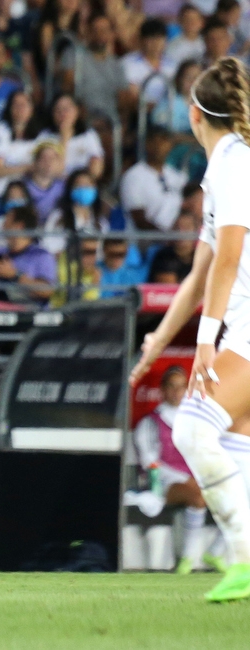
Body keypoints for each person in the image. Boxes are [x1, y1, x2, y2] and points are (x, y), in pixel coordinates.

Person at [129, 57, 250, 602]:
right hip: (240, 326)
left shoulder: (237, 167)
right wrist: (158, 340)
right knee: (233, 444)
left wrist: (204, 343)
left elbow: (228, 261)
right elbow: (199, 274)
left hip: (244, 330)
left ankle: (245, 560)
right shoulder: (222, 169)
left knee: (191, 428)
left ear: (194, 113)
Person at [134, 367, 226, 574]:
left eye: (181, 387)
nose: (177, 392)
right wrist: (186, 477)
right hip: (163, 484)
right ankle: (188, 559)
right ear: (163, 390)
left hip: (196, 480)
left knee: (237, 497)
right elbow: (151, 463)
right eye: (172, 386)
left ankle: (216, 551)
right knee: (197, 496)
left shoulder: (196, 420)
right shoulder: (151, 423)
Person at [59, 13, 131, 124]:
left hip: (110, 122)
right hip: (81, 121)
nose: (100, 34)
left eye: (104, 30)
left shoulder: (116, 64)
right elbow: (68, 87)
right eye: (95, 30)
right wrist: (83, 115)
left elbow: (124, 98)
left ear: (111, 34)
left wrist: (121, 126)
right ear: (87, 32)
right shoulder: (74, 54)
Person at [0, 205, 56, 305]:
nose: (3, 225)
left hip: (29, 317)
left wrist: (14, 275)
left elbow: (46, 291)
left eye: (7, 221)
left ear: (19, 226)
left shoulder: (41, 256)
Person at [0, 89, 40, 217]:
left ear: (32, 109)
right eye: (16, 105)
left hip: (25, 195)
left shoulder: (37, 136)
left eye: (24, 104)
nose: (20, 109)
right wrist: (28, 167)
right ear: (9, 108)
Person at [120, 127, 188, 232]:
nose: (160, 147)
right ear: (147, 145)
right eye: (156, 142)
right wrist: (165, 238)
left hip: (174, 239)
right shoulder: (133, 176)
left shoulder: (177, 176)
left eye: (165, 142)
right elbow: (139, 219)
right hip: (145, 242)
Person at [43, 168, 109, 256]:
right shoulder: (58, 217)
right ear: (71, 189)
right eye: (79, 185)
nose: (83, 188)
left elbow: (102, 252)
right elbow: (49, 246)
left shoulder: (101, 222)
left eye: (88, 185)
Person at [38, 94, 105, 179]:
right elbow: (52, 170)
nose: (62, 113)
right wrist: (64, 139)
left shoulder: (88, 135)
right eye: (58, 109)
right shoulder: (45, 136)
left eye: (67, 109)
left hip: (81, 182)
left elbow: (97, 168)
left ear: (77, 111)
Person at [23, 140, 66, 224]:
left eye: (53, 158)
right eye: (44, 158)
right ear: (35, 161)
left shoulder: (63, 186)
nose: (48, 163)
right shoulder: (23, 186)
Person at [149, 211, 198, 283]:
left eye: (186, 227)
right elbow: (169, 288)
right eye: (177, 227)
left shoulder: (201, 256)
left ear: (196, 230)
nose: (181, 232)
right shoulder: (164, 256)